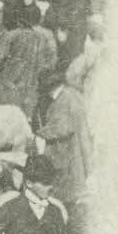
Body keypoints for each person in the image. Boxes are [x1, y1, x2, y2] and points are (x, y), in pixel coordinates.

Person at [35, 69, 92, 205]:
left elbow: (63, 127)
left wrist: (41, 133)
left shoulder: (62, 101)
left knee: (64, 194)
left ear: (49, 88)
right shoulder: (74, 94)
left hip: (67, 152)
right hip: (79, 148)